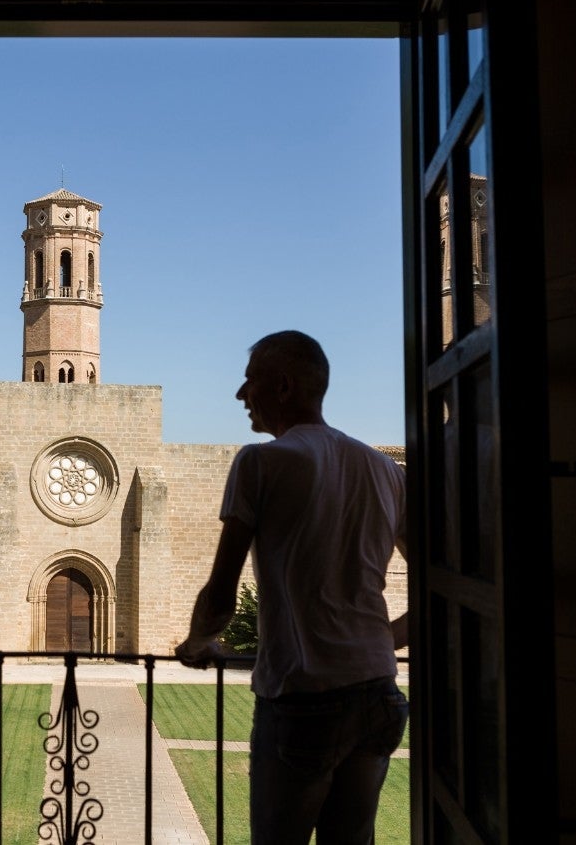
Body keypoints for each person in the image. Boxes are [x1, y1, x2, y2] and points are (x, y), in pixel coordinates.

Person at [175, 330, 409, 845]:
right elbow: (440, 581)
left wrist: (196, 645)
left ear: (282, 387)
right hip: (378, 694)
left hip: (305, 696)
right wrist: (380, 642)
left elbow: (221, 592)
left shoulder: (260, 462)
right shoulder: (385, 470)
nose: (241, 395)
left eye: (250, 380)